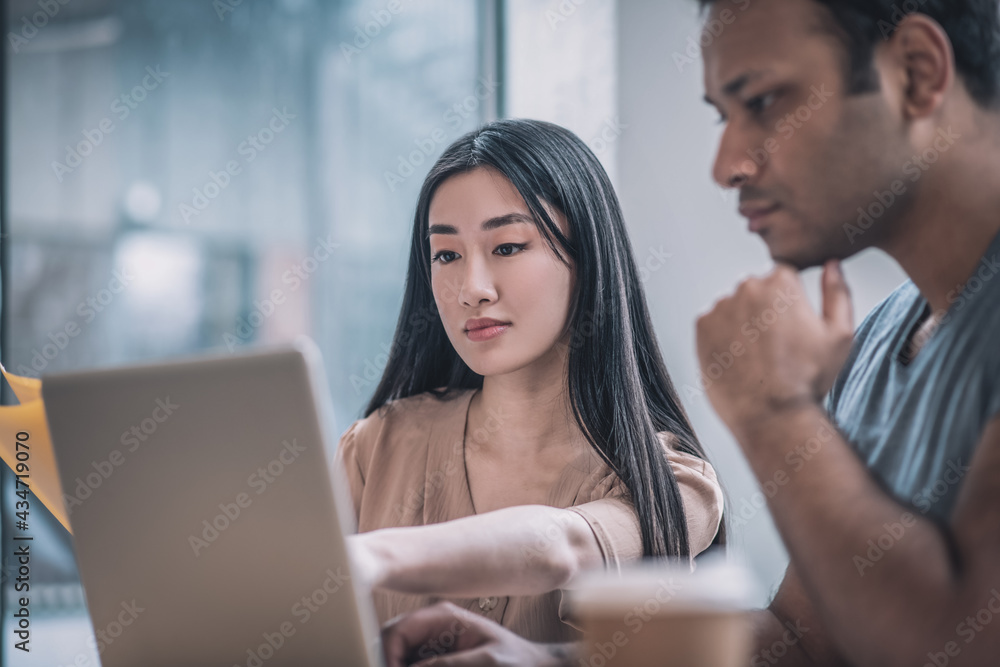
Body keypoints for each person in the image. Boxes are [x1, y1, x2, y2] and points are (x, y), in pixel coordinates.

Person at [379, 1, 1000, 665]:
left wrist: (774, 412)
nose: (727, 164)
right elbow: (802, 640)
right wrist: (543, 662)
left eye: (762, 101)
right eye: (721, 116)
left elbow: (959, 641)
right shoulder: (880, 339)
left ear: (917, 71)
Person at [336, 118, 725, 646]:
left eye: (508, 246)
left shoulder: (673, 485)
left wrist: (368, 557)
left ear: (588, 258)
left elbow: (561, 547)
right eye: (447, 255)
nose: (471, 289)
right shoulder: (375, 446)